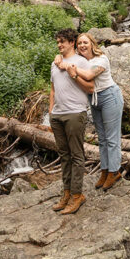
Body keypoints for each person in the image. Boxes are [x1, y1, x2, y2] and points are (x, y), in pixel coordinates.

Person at [55, 32, 124, 190]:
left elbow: (88, 75)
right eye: (79, 43)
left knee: (112, 137)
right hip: (94, 100)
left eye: (85, 42)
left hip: (109, 97)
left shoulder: (101, 59)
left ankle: (115, 171)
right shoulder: (80, 61)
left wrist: (69, 67)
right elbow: (65, 58)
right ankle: (105, 170)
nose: (82, 45)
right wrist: (59, 58)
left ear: (92, 44)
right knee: (102, 138)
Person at [49, 29, 94, 215]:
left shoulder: (82, 62)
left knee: (76, 155)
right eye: (58, 42)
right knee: (64, 155)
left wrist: (72, 72)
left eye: (63, 42)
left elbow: (91, 87)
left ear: (72, 42)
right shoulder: (55, 63)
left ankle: (77, 195)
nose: (60, 45)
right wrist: (50, 111)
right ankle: (66, 193)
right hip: (57, 116)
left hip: (75, 113)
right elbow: (52, 88)